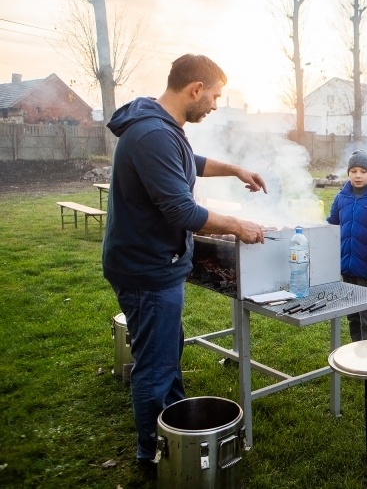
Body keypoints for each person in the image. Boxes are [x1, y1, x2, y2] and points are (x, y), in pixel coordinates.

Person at [102, 54, 267, 470]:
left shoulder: (159, 127)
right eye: (213, 96)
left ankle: (175, 430)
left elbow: (188, 164)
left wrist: (235, 170)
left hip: (154, 264)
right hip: (147, 268)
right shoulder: (153, 134)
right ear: (195, 89)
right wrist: (236, 225)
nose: (214, 105)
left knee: (165, 353)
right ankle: (154, 455)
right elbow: (182, 211)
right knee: (155, 368)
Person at [327, 149, 367, 341]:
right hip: (346, 263)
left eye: (363, 171)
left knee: (366, 312)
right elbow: (332, 224)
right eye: (353, 170)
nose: (358, 175)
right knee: (351, 312)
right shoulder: (341, 197)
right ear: (348, 172)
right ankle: (355, 347)